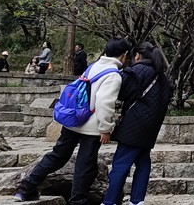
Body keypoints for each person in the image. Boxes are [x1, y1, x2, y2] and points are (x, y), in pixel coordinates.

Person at [13, 38, 130, 204]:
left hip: (73, 120)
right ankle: (77, 200)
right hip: (91, 127)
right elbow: (105, 103)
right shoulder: (113, 75)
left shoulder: (94, 66)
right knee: (85, 165)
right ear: (124, 55)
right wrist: (105, 128)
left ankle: (26, 188)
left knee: (57, 155)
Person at [102, 42, 173, 205]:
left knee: (120, 164)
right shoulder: (162, 76)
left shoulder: (138, 71)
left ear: (137, 56)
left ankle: (109, 201)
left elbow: (121, 92)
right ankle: (137, 201)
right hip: (151, 127)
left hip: (134, 126)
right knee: (142, 162)